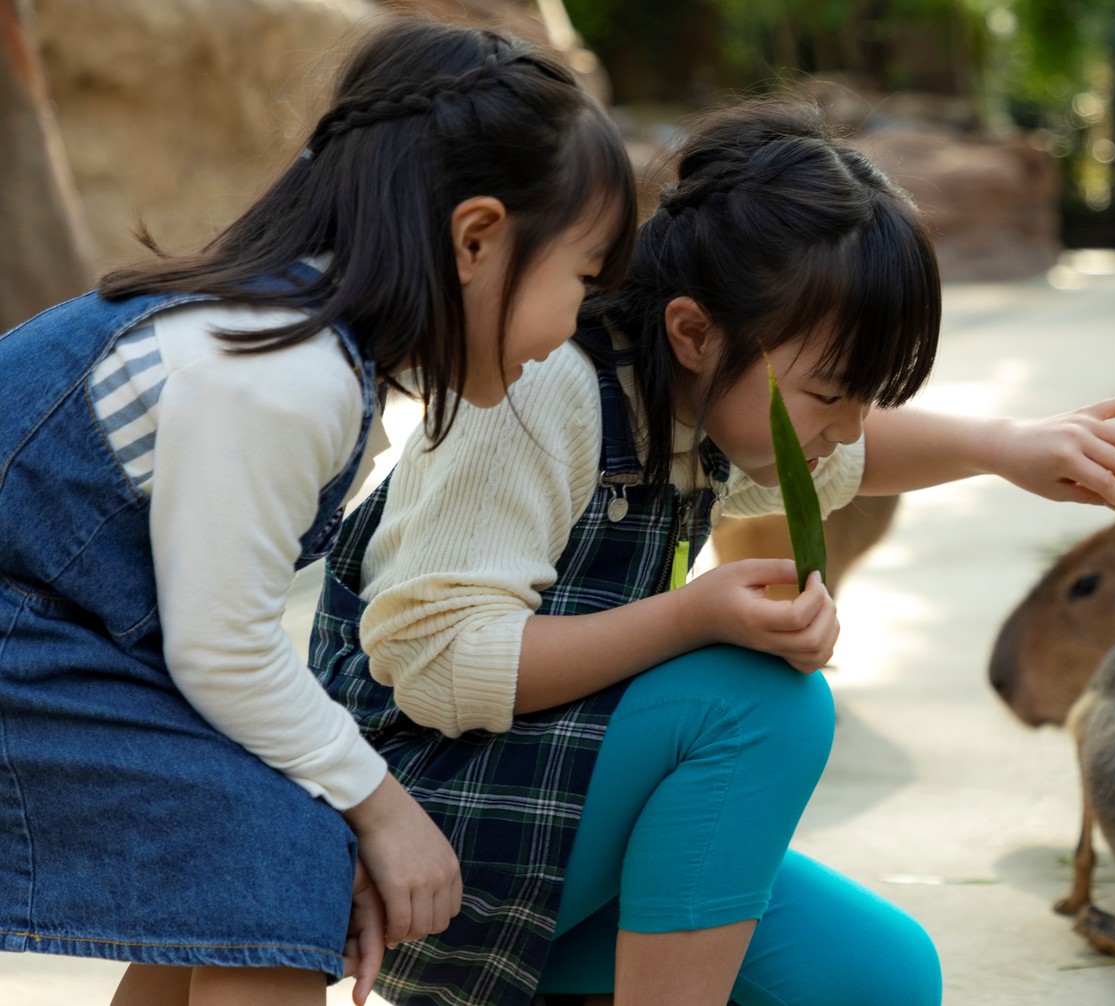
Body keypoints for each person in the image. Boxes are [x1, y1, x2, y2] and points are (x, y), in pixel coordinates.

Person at [309, 99, 1115, 1006]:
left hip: (549, 830)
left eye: (866, 398)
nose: (846, 428)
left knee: (882, 978)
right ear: (695, 332)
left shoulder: (693, 399)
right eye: (832, 393)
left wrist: (1003, 447)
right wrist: (696, 614)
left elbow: (853, 456)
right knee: (758, 702)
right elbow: (439, 666)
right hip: (411, 849)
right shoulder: (542, 389)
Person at [0, 17, 638, 1006]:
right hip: (22, 627)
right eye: (584, 279)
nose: (575, 325)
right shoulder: (285, 373)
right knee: (281, 848)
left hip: (45, 633)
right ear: (476, 239)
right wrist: (384, 809)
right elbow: (224, 650)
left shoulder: (304, 346)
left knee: (255, 834)